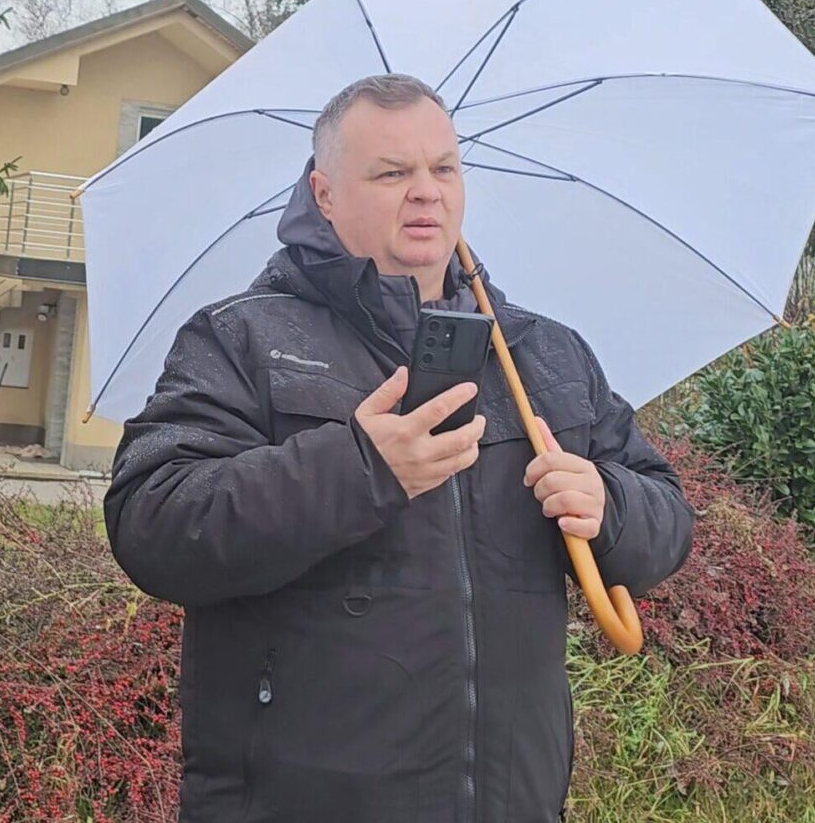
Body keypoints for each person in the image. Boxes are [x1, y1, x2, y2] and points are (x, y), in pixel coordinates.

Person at [105, 73, 695, 822]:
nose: (427, 192)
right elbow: (153, 524)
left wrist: (608, 507)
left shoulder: (541, 356)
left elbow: (666, 519)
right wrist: (359, 470)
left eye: (443, 168)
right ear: (324, 194)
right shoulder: (243, 338)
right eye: (392, 173)